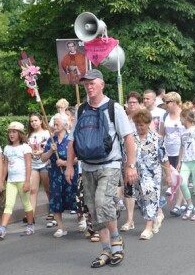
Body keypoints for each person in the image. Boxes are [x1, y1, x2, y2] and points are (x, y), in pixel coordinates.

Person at [64, 69, 137, 268]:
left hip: (110, 164)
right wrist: (70, 166)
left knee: (102, 202)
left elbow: (128, 138)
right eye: (86, 83)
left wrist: (130, 165)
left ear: (102, 84)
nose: (89, 86)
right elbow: (71, 141)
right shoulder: (81, 110)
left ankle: (116, 240)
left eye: (92, 83)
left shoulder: (114, 108)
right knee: (94, 211)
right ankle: (106, 250)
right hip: (87, 166)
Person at [131, 109, 171, 239]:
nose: (139, 127)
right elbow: (127, 157)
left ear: (148, 124)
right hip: (136, 175)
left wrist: (169, 175)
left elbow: (164, 158)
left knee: (150, 197)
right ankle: (156, 217)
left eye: (141, 124)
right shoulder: (131, 138)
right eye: (137, 124)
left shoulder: (157, 139)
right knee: (142, 201)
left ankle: (147, 228)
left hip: (152, 174)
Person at [0, 122, 34, 239]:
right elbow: (5, 166)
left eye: (14, 132)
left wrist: (27, 182)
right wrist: (0, 180)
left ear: (20, 134)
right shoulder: (7, 148)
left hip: (22, 180)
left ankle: (30, 226)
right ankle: (2, 228)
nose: (11, 134)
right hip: (11, 181)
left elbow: (28, 165)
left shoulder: (25, 147)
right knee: (8, 204)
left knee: (26, 203)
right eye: (10, 132)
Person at [41, 113, 79, 238]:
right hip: (55, 175)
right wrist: (51, 150)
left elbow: (78, 157)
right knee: (56, 199)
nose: (54, 126)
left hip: (70, 173)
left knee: (74, 196)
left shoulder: (71, 139)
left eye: (57, 123)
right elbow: (42, 158)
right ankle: (60, 227)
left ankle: (82, 219)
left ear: (64, 124)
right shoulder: (51, 140)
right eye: (54, 123)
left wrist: (64, 162)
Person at [158, 92, 187, 216]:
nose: (166, 104)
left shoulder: (185, 114)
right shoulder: (165, 116)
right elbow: (161, 134)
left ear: (175, 102)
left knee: (179, 178)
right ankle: (186, 201)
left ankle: (178, 206)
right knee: (173, 179)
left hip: (182, 152)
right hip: (168, 152)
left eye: (167, 102)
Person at [177, 109, 195, 220]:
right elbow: (182, 147)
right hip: (185, 161)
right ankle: (190, 205)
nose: (180, 120)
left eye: (181, 118)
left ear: (185, 118)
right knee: (182, 183)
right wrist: (179, 162)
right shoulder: (182, 132)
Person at [120, 91, 142, 233]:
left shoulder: (144, 118)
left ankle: (156, 213)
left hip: (143, 158)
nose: (132, 105)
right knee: (129, 188)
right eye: (130, 102)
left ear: (139, 104)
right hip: (127, 158)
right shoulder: (124, 119)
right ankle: (129, 220)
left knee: (145, 188)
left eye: (134, 102)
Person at [26, 113, 51, 225]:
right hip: (33, 165)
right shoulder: (29, 135)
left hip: (45, 164)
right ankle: (31, 216)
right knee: (33, 190)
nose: (34, 123)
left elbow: (52, 147)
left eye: (35, 120)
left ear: (41, 121)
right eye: (32, 121)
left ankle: (54, 211)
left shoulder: (47, 133)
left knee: (48, 189)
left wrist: (43, 152)